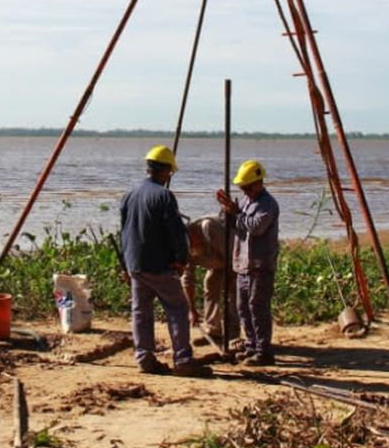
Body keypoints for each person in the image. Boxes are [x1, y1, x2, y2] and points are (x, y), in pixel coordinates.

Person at [118, 145, 211, 378]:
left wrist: (126, 264)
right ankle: (183, 359)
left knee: (141, 311)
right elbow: (176, 233)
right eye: (170, 172)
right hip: (159, 266)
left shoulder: (130, 194)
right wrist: (181, 260)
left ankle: (145, 358)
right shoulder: (164, 196)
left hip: (136, 264)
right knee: (177, 308)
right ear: (166, 171)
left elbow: (125, 231)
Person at [216, 159, 279, 366]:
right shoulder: (245, 202)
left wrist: (236, 213)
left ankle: (263, 350)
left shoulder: (268, 204)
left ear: (259, 183)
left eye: (248, 187)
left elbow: (255, 227)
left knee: (257, 307)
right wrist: (226, 210)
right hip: (243, 264)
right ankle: (252, 345)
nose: (246, 191)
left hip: (260, 265)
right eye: (243, 188)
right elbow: (231, 223)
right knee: (243, 307)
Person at [182, 214, 236, 345]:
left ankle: (233, 335)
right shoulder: (184, 247)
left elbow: (232, 253)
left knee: (232, 294)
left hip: (233, 260)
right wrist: (192, 310)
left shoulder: (209, 227)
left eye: (192, 242)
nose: (192, 247)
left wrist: (232, 277)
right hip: (217, 264)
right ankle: (214, 331)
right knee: (210, 284)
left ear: (192, 231)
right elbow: (187, 279)